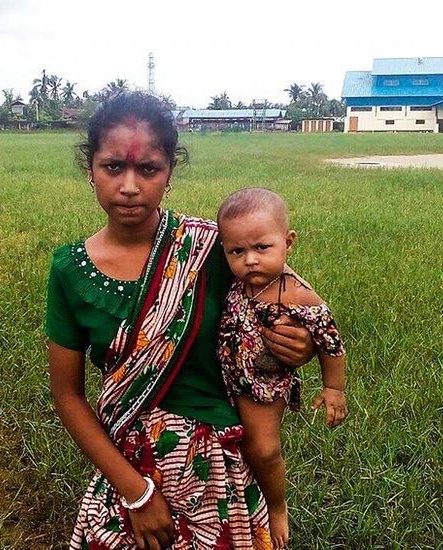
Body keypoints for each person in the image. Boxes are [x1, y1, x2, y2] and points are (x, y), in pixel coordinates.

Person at [46, 92, 316, 549]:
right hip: (129, 470)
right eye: (113, 167)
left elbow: (294, 304)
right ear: (90, 169)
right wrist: (137, 494)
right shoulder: (70, 271)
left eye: (148, 169)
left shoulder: (212, 247)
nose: (129, 185)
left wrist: (301, 343)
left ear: (168, 173)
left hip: (218, 467)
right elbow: (67, 396)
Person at [216, 188, 348, 548]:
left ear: (288, 243)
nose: (250, 261)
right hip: (226, 376)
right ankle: (238, 496)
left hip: (263, 385)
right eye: (237, 251)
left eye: (262, 248)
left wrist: (333, 389)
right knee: (234, 444)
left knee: (264, 449)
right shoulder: (239, 282)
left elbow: (331, 344)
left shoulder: (298, 294)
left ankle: (276, 506)